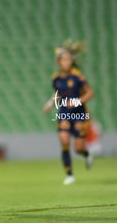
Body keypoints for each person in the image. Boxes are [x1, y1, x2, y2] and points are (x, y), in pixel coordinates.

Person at [44, 40, 94, 185]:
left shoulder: (77, 76)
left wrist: (77, 101)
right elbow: (58, 94)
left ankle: (86, 153)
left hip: (79, 113)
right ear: (59, 62)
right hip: (65, 112)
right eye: (64, 60)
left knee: (78, 148)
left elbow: (90, 93)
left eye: (69, 60)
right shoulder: (56, 78)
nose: (67, 62)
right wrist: (50, 103)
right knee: (64, 140)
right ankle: (70, 175)